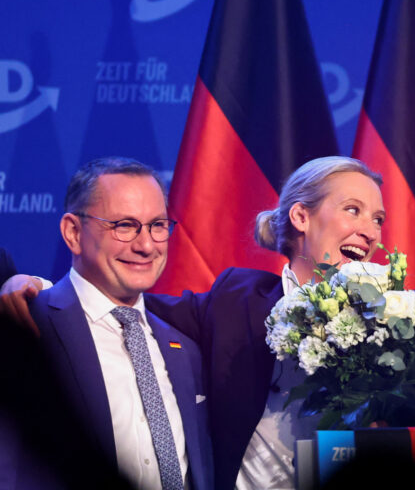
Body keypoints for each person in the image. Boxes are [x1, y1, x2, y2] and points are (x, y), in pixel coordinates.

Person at [143, 156, 385, 489]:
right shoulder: (235, 298)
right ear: (301, 217)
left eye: (378, 219)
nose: (370, 232)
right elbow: (134, 306)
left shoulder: (390, 323)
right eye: (353, 210)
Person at [7, 158, 214, 489]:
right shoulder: (28, 328)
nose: (146, 245)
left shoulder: (185, 349)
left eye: (158, 225)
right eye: (125, 225)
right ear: (73, 232)